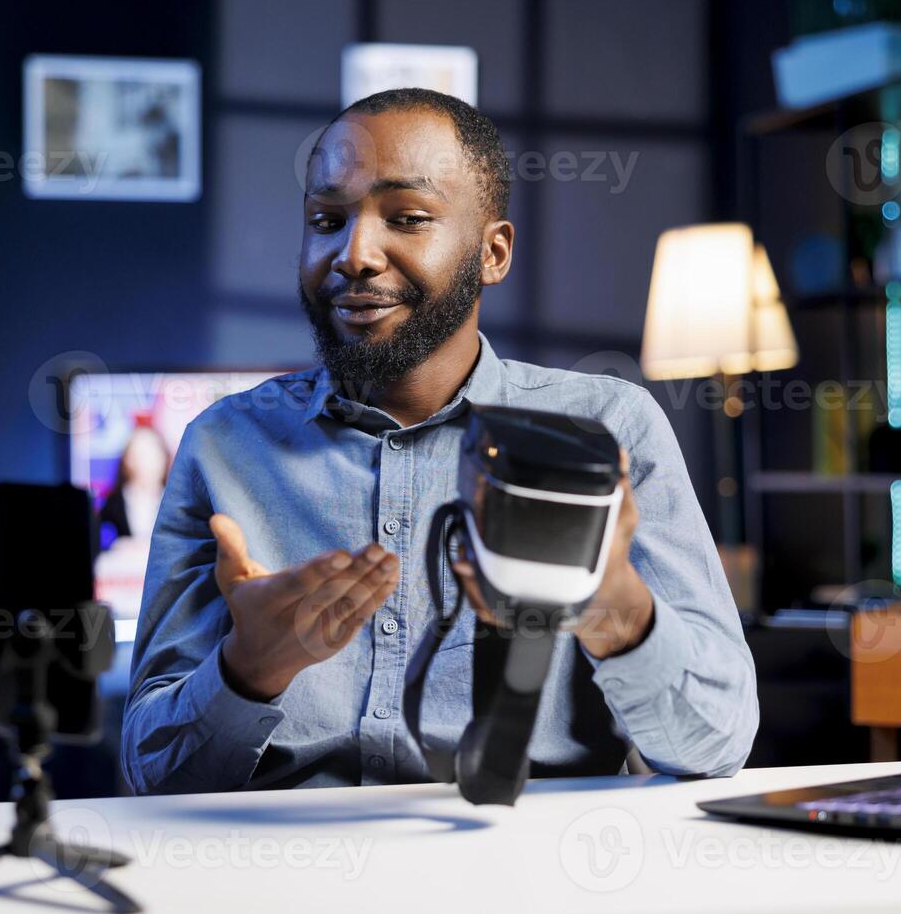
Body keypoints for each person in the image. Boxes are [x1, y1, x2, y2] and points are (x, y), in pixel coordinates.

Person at [122, 88, 757, 794]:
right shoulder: (223, 444)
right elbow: (153, 775)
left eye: (408, 218)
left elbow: (716, 744)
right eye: (326, 220)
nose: (355, 253)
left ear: (492, 251)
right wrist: (249, 668)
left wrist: (613, 607)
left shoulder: (608, 431)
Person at [97, 424, 170, 552]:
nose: (145, 462)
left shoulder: (176, 502)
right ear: (126, 461)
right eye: (139, 455)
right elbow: (98, 543)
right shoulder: (113, 503)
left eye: (151, 454)